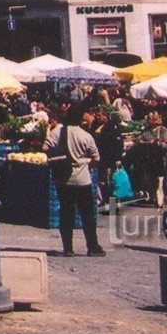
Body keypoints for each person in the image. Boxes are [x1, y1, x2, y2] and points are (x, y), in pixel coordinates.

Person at [52, 104, 105, 256]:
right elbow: (96, 158)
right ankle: (92, 247)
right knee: (87, 215)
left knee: (66, 214)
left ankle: (68, 248)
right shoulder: (85, 136)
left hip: (64, 180)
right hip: (83, 180)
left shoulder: (58, 132)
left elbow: (46, 146)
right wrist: (87, 164)